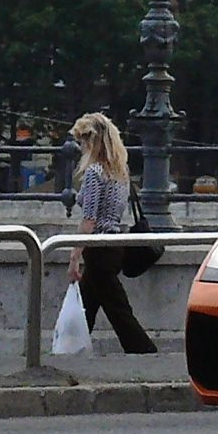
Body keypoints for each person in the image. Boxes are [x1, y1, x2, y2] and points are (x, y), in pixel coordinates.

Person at [66, 112, 157, 354]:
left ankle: (146, 352)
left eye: (82, 141)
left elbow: (89, 219)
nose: (81, 147)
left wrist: (75, 255)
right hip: (115, 244)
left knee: (119, 312)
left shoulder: (95, 173)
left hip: (98, 249)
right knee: (88, 304)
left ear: (92, 142)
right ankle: (68, 349)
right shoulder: (120, 171)